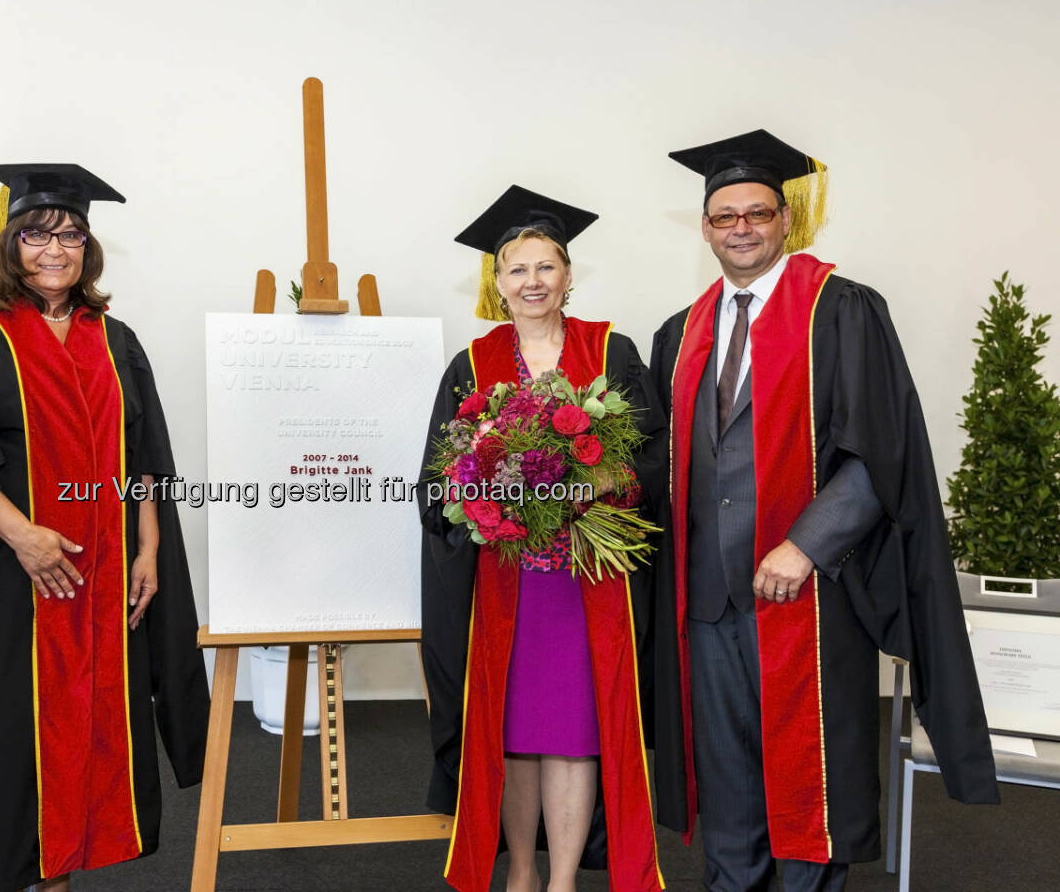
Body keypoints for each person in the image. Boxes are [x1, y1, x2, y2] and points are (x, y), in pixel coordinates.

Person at [648, 129, 999, 892]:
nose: (740, 227)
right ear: (705, 228)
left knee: (812, 770)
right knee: (729, 774)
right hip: (706, 600)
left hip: (807, 598)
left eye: (757, 212)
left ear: (786, 220)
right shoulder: (680, 333)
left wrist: (805, 544)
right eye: (724, 215)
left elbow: (883, 452)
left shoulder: (841, 311)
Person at [0, 164, 209, 892]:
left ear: (89, 248)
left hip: (104, 580)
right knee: (9, 748)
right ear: (9, 242)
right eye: (37, 234)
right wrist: (23, 536)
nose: (55, 249)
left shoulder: (117, 341)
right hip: (8, 584)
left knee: (88, 737)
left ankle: (61, 880)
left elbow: (144, 459)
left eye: (71, 235)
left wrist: (149, 549)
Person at [419, 185, 668, 892]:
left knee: (575, 736)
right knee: (515, 736)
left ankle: (562, 881)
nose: (532, 282)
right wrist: (481, 496)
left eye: (546, 267)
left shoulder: (609, 351)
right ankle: (522, 874)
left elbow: (653, 457)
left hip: (586, 582)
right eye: (516, 270)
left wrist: (595, 484)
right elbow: (438, 478)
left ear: (568, 276)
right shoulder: (471, 364)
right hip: (504, 581)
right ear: (496, 284)